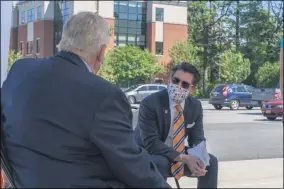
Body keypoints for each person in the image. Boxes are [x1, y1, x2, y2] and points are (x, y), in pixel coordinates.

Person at [1, 12, 170, 188]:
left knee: (160, 163)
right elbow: (133, 166)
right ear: (101, 52)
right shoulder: (104, 95)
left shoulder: (20, 70)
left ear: (64, 40)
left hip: (26, 181)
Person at [134, 62, 218, 188]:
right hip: (148, 152)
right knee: (160, 162)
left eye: (185, 84)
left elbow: (197, 139)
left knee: (211, 162)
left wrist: (201, 159)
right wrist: (185, 158)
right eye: (175, 81)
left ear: (192, 88)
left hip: (176, 151)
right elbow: (151, 143)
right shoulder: (150, 103)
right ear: (169, 80)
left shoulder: (195, 106)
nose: (178, 86)